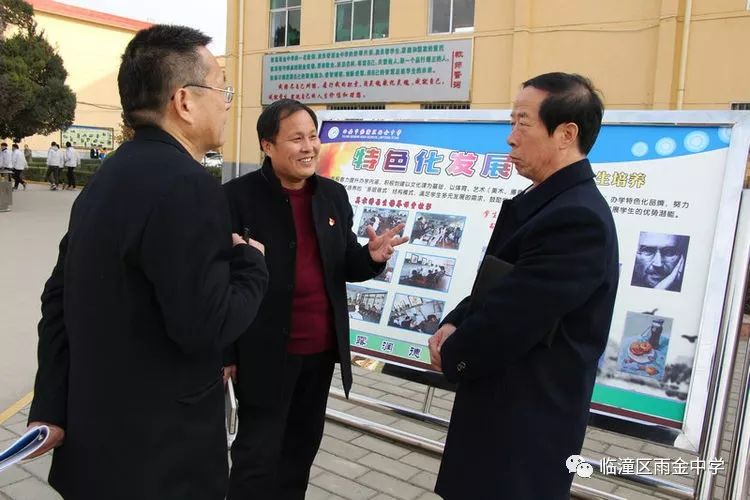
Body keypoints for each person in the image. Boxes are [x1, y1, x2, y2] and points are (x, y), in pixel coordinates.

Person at [26, 24, 269, 500]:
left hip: (98, 448)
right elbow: (207, 325)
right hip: (162, 462)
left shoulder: (108, 176)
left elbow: (58, 297)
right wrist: (250, 263)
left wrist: (51, 405)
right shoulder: (188, 185)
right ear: (183, 101)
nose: (227, 102)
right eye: (221, 87)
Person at [428, 72, 619, 499]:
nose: (511, 138)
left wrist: (453, 352)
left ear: (566, 134)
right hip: (502, 409)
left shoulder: (577, 218)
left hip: (526, 423)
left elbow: (514, 317)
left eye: (523, 122)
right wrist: (454, 321)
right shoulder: (547, 202)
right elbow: (498, 282)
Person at [222, 98, 408, 500]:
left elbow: (341, 262)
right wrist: (226, 352)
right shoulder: (236, 198)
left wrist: (371, 258)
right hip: (264, 350)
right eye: (296, 139)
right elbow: (220, 280)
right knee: (257, 456)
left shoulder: (333, 197)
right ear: (267, 146)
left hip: (320, 350)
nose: (309, 147)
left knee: (300, 451)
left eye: (313, 136)